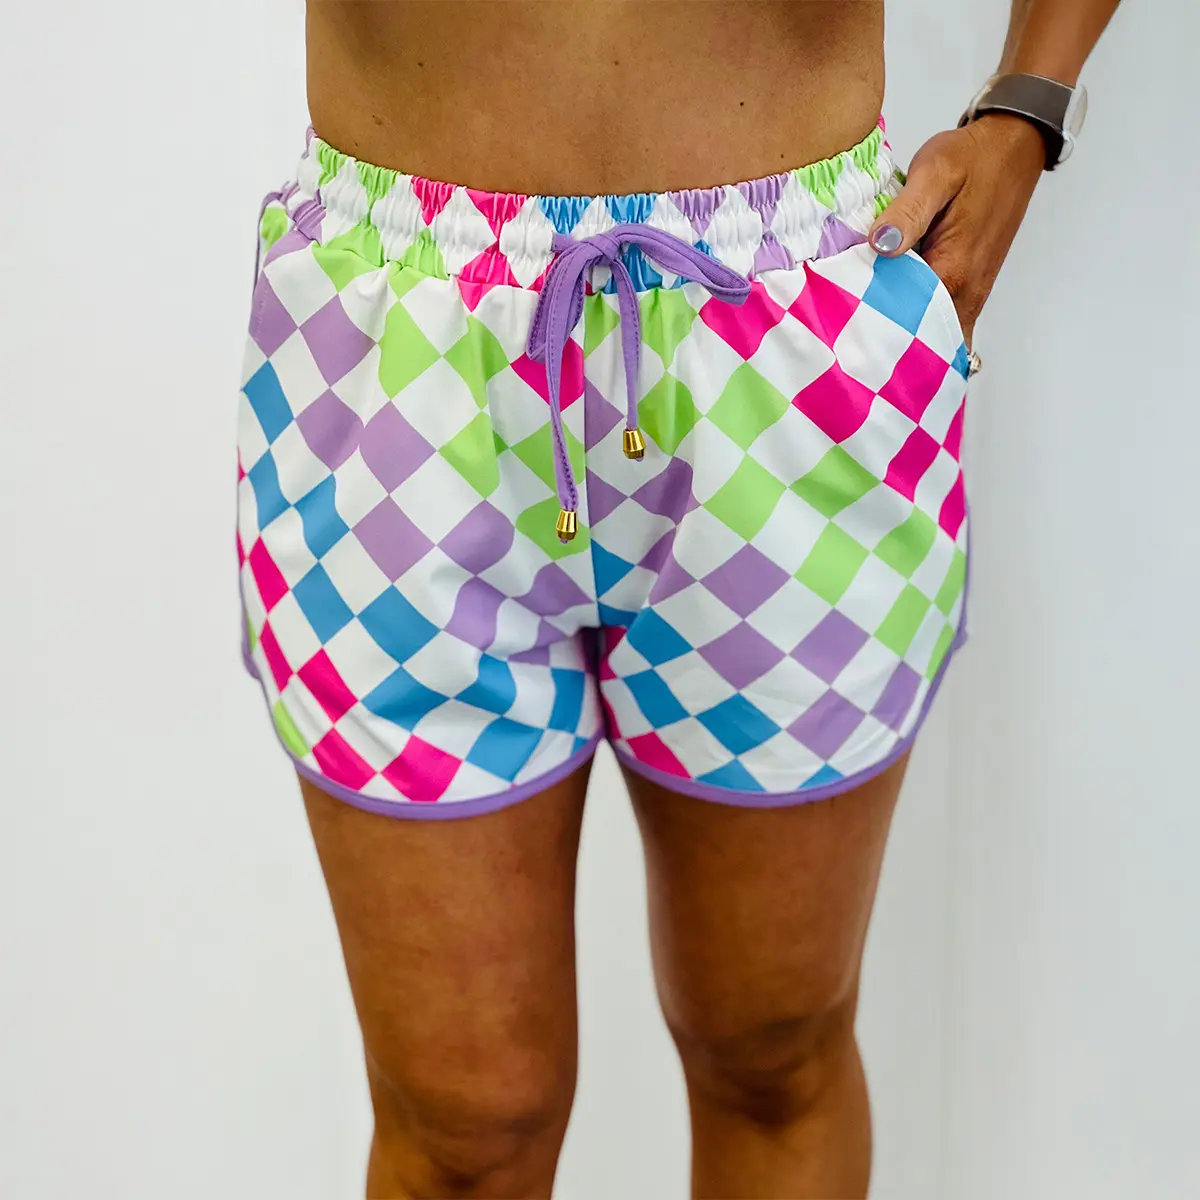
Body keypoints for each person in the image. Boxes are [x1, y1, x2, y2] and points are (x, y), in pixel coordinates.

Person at [236, 2, 1119, 1195]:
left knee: (773, 1053)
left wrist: (1030, 104)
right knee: (461, 1128)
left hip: (795, 329)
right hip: (399, 340)